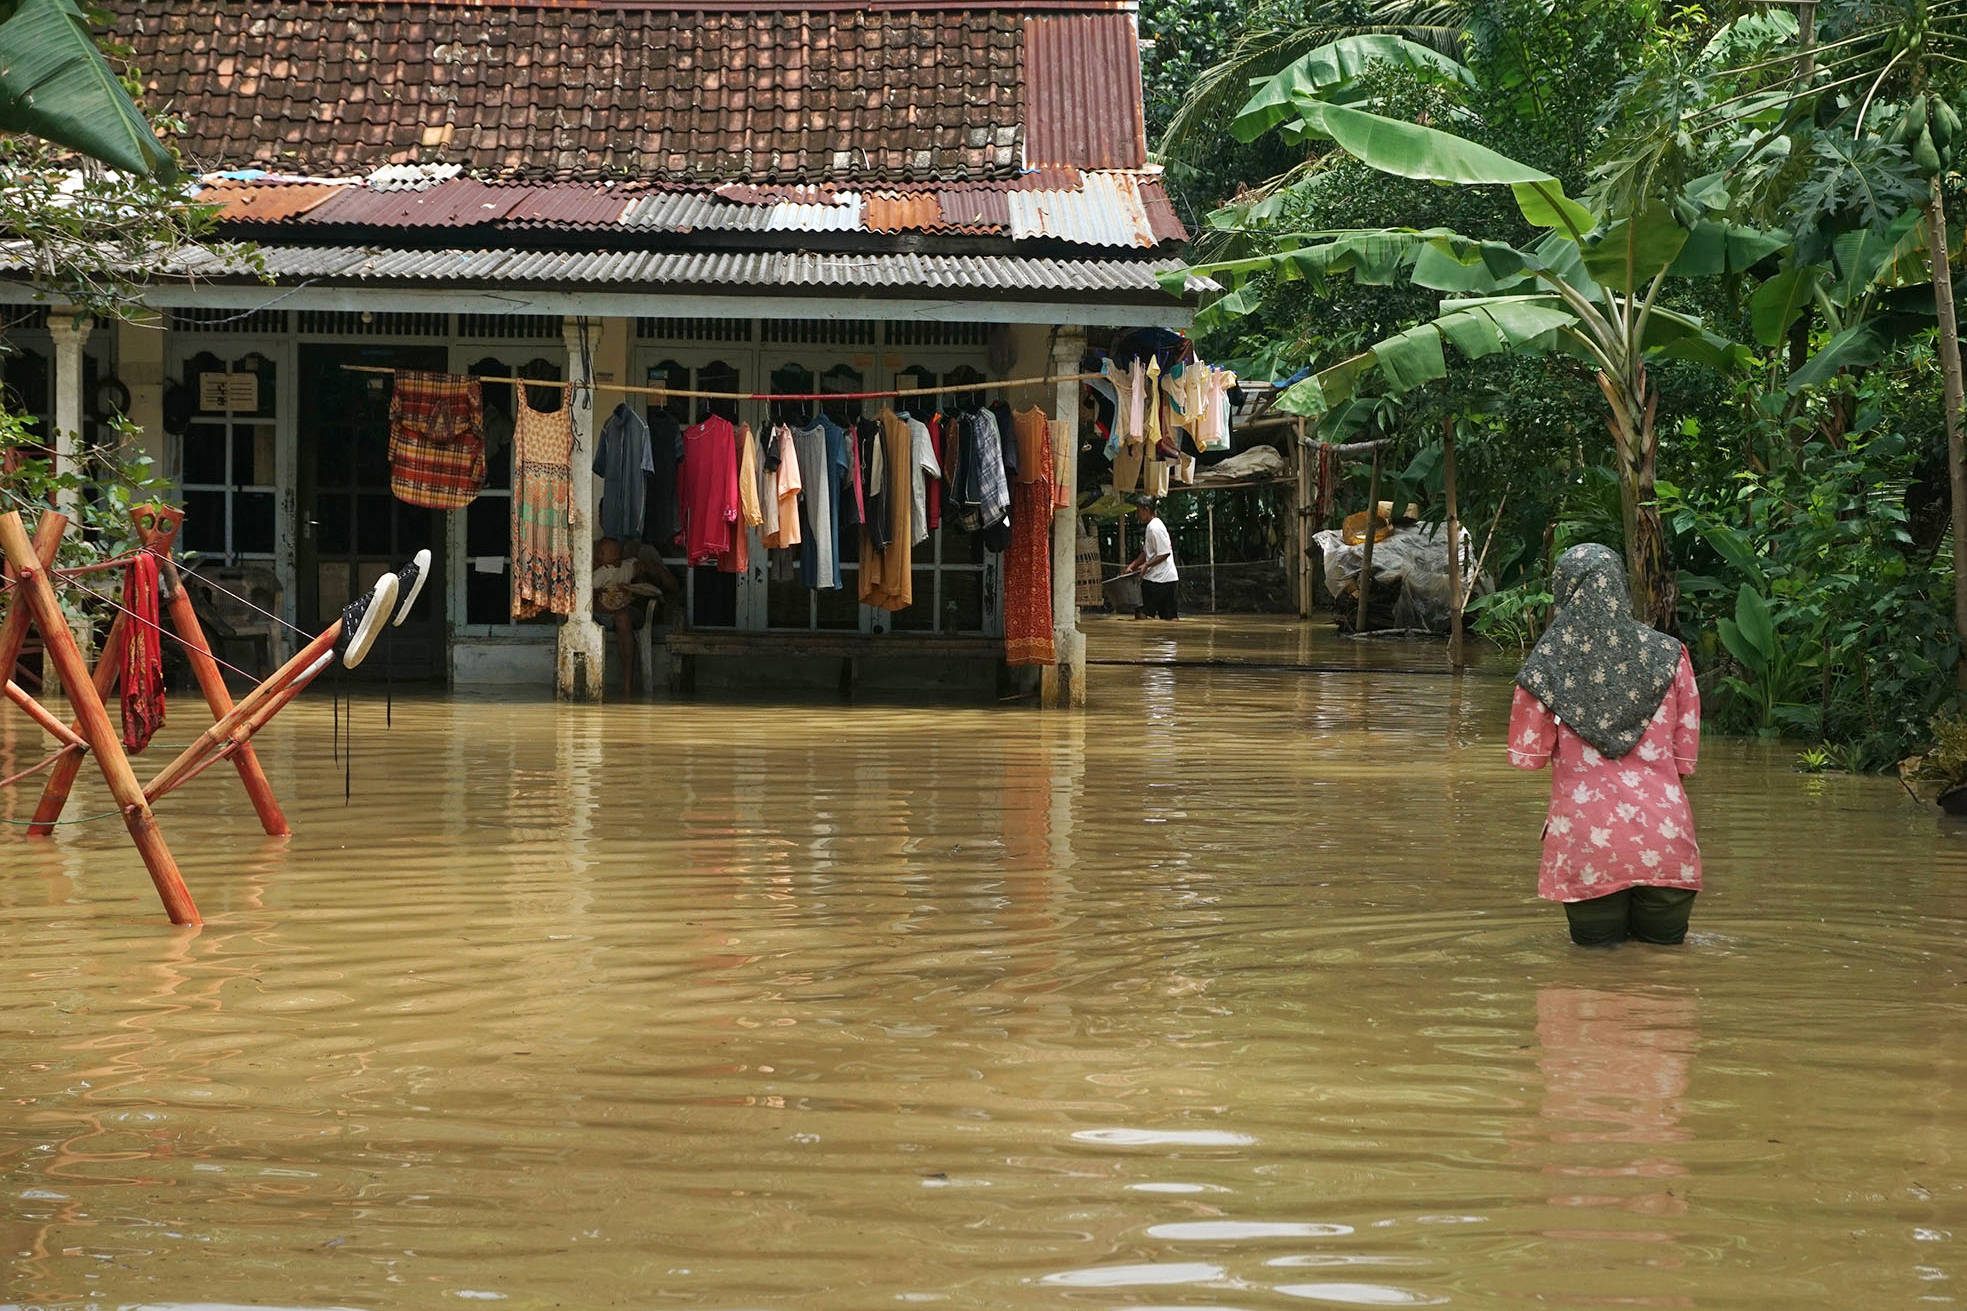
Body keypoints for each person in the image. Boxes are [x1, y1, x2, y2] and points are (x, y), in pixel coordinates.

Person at [1508, 543, 1702, 947]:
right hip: (1666, 839)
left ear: (1565, 590)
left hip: (1587, 845)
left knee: (1592, 972)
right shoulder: (1672, 656)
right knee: (1666, 973)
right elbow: (1685, 759)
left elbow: (1527, 757)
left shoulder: (1545, 667)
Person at [591, 536, 676, 699]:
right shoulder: (592, 550)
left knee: (622, 617)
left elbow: (672, 587)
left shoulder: (642, 556)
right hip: (598, 609)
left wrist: (653, 569)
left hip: (628, 609)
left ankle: (627, 684)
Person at [1123, 496, 1179, 620]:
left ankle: (1145, 638)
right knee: (1169, 617)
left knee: (1142, 613)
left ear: (1146, 510)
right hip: (1165, 578)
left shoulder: (1155, 527)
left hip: (1158, 579)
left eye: (1139, 511)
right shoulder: (1152, 526)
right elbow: (1146, 552)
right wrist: (1132, 566)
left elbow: (1165, 553)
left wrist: (1147, 565)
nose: (1137, 515)